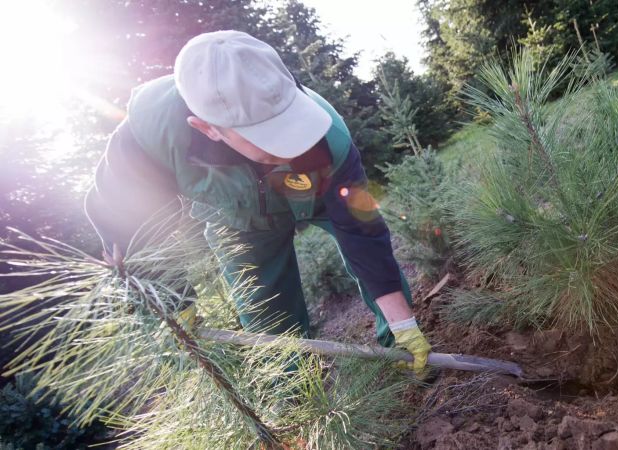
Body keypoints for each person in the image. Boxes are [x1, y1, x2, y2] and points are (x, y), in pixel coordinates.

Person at [84, 30, 433, 375]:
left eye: (289, 122)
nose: (290, 145)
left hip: (318, 189)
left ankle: (399, 348)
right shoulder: (150, 135)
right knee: (268, 317)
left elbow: (363, 233)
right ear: (207, 128)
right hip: (237, 218)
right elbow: (128, 224)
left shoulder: (330, 137)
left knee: (386, 291)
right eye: (266, 137)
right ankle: (298, 400)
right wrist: (174, 305)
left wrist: (402, 324)